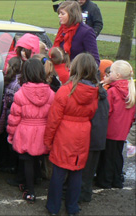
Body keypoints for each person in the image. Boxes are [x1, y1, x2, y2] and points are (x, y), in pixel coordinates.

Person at [44, 53, 99, 215]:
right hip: (83, 133)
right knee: (76, 171)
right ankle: (72, 207)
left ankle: (53, 207)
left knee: (59, 173)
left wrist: (48, 141)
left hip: (64, 134)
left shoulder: (65, 90)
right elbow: (91, 114)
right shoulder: (94, 92)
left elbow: (53, 119)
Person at [7, 58, 55, 204]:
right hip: (43, 130)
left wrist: (11, 134)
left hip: (25, 131)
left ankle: (30, 191)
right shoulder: (51, 93)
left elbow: (14, 117)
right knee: (38, 159)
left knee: (27, 161)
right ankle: (36, 181)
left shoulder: (20, 94)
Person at [95, 60, 136, 189]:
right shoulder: (131, 90)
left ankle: (105, 180)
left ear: (117, 75)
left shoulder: (112, 92)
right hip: (123, 130)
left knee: (107, 156)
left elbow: (107, 111)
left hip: (111, 129)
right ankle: (117, 179)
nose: (109, 73)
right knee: (117, 155)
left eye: (111, 71)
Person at [79, 83, 109, 203]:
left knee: (84, 169)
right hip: (99, 136)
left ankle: (82, 194)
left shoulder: (91, 97)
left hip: (89, 135)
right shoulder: (104, 96)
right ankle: (86, 193)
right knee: (90, 169)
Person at [53, 1, 100, 65]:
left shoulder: (86, 32)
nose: (59, 16)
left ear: (72, 15)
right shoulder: (62, 29)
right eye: (59, 13)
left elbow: (95, 61)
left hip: (78, 72)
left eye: (62, 14)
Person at [0, 56, 23, 174]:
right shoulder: (19, 83)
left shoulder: (10, 82)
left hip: (9, 116)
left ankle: (7, 164)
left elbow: (6, 104)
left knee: (7, 142)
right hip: (15, 118)